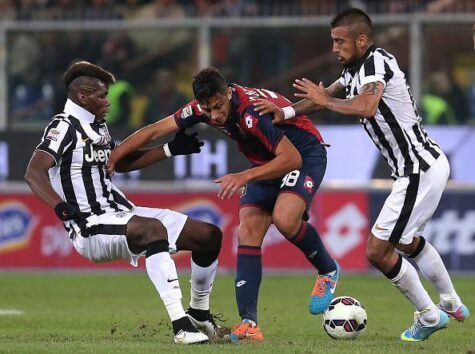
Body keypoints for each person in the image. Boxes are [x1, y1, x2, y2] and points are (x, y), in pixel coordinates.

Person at [254, 8, 469, 342]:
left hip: (418, 168)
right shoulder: (354, 69)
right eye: (333, 41)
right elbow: (333, 94)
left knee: (376, 251)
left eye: (340, 41)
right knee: (404, 241)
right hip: (418, 167)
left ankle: (429, 316)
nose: (335, 48)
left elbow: (366, 106)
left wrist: (324, 99)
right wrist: (286, 111)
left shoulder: (377, 62)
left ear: (362, 40)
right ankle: (451, 301)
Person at [107, 67, 340, 342]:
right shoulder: (201, 108)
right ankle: (249, 324)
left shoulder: (251, 112)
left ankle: (327, 270)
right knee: (247, 231)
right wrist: (115, 156)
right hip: (265, 161)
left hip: (302, 154)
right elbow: (156, 129)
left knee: (286, 220)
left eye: (218, 106)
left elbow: (291, 159)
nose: (214, 115)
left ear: (227, 93)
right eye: (207, 109)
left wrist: (244, 176)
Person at [24, 61, 225, 345]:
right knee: (153, 230)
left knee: (208, 236)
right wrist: (60, 207)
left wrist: (170, 149)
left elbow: (120, 162)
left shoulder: (98, 127)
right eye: (102, 96)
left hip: (122, 213)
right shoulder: (62, 127)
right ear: (82, 97)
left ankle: (198, 312)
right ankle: (181, 327)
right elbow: (34, 172)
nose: (108, 102)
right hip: (90, 225)